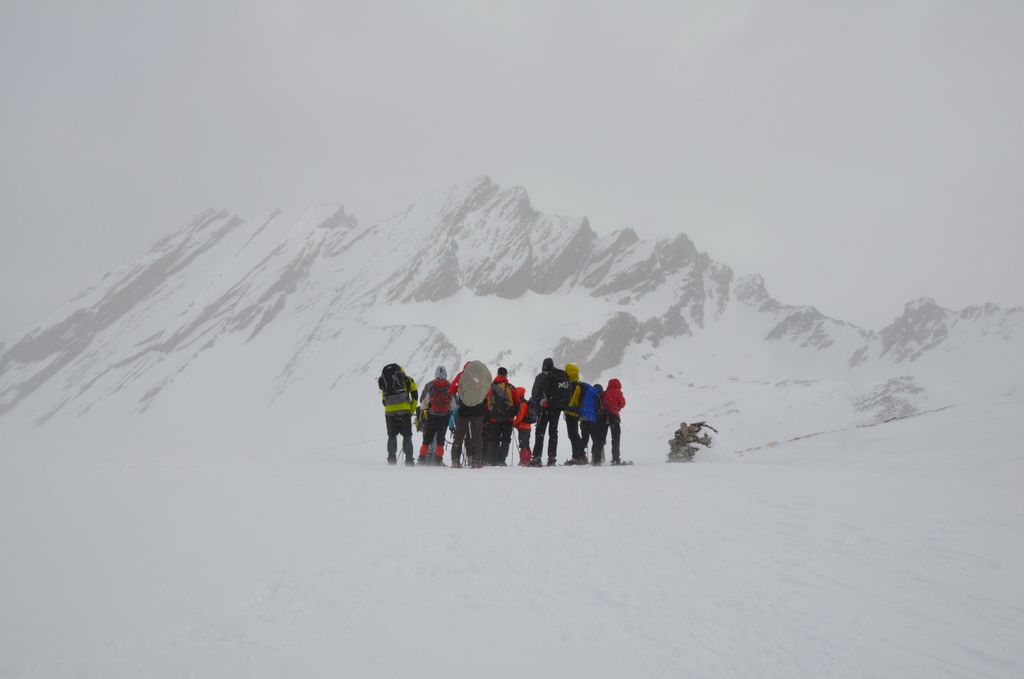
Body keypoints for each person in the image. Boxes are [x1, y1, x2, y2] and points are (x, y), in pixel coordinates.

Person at [528, 358, 571, 466]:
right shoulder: (561, 375)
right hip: (556, 408)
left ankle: (537, 457)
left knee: (540, 432)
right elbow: (568, 391)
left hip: (545, 408)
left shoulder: (541, 377)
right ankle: (552, 458)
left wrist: (538, 402)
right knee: (553, 432)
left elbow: (535, 394)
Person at [449, 360, 492, 468]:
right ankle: (476, 460)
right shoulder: (481, 377)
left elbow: (452, 389)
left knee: (459, 435)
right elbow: (488, 393)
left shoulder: (462, 375)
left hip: (464, 409)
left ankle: (455, 460)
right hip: (479, 410)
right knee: (476, 435)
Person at [378, 363, 418, 465]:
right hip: (404, 411)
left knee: (391, 436)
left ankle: (391, 459)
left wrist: (389, 407)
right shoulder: (407, 379)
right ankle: (409, 460)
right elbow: (415, 395)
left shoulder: (387, 381)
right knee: (407, 436)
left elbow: (383, 399)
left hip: (389, 412)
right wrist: (411, 409)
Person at [418, 366, 453, 465]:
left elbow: (423, 402)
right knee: (440, 439)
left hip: (431, 416)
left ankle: (422, 458)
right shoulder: (449, 386)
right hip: (444, 417)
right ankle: (438, 460)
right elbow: (453, 405)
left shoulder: (430, 385)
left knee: (427, 438)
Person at [484, 367, 515, 465]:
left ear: (497, 374)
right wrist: (512, 413)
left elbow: (486, 402)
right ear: (506, 375)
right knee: (505, 440)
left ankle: (491, 459)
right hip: (508, 419)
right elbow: (517, 402)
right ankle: (501, 460)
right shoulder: (510, 387)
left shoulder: (491, 387)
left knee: (493, 439)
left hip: (493, 418)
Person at [593, 378, 626, 464]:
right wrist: (617, 408)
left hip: (603, 416)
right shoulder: (618, 392)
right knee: (615, 438)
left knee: (601, 438)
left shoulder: (605, 392)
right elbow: (623, 403)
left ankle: (597, 459)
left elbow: (601, 402)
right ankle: (615, 458)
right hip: (614, 417)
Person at [562, 363, 587, 465]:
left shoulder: (573, 385)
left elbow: (572, 399)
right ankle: (579, 455)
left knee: (573, 434)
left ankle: (578, 456)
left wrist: (567, 407)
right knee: (574, 434)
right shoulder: (577, 384)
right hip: (575, 413)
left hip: (571, 413)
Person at [579, 382, 603, 461]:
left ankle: (580, 456)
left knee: (584, 440)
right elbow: (598, 409)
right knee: (596, 439)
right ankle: (595, 457)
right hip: (592, 421)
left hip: (583, 420)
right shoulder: (597, 395)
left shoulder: (586, 393)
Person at [511, 386, 533, 465]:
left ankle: (524, 460)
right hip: (528, 427)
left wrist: (514, 423)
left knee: (523, 443)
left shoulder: (522, 404)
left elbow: (520, 416)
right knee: (526, 443)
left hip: (523, 427)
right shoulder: (526, 403)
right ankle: (528, 458)